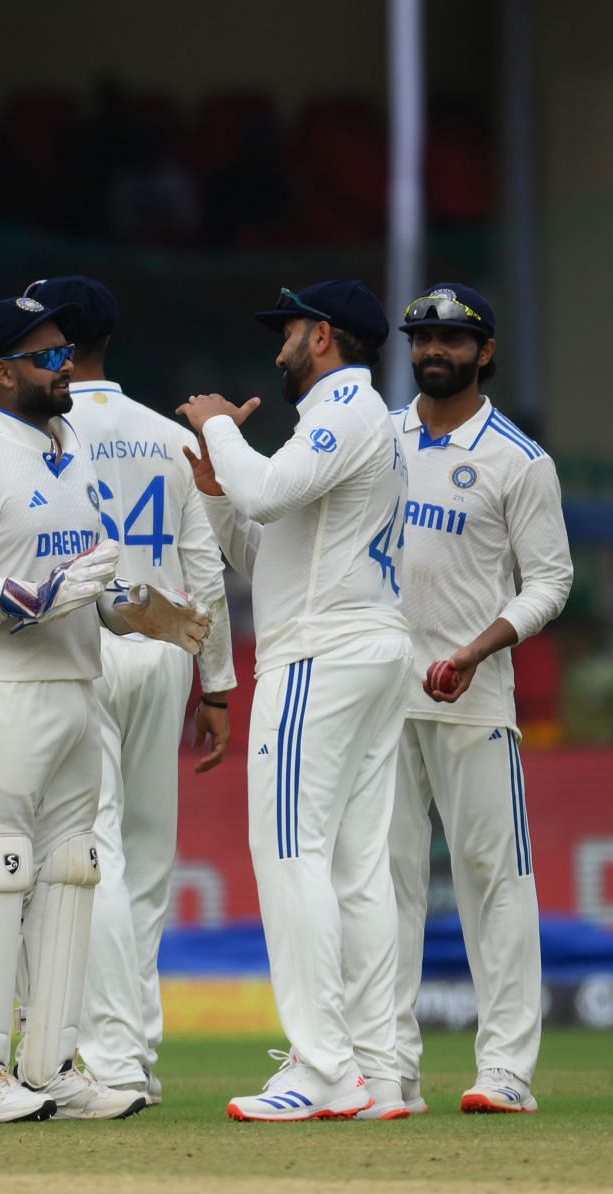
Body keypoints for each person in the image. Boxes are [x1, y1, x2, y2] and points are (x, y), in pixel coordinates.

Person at [0, 296, 208, 1123]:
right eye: (46, 357)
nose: (64, 367)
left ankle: (52, 1064)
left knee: (72, 869)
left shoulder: (72, 454)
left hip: (78, 685)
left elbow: (88, 584)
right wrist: (25, 597)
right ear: (2, 372)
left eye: (67, 352)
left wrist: (140, 610)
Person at [178, 280, 413, 1122]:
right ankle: (377, 1070)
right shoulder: (361, 421)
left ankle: (321, 1068)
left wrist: (211, 422)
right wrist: (215, 483)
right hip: (364, 649)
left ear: (322, 337)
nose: (277, 346)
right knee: (355, 867)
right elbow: (267, 549)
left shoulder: (343, 410)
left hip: (321, 656)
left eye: (287, 330)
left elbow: (268, 493)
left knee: (289, 851)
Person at [25, 275, 236, 1106]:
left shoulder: (44, 430)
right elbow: (206, 566)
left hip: (88, 645)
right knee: (146, 856)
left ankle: (110, 1055)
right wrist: (216, 684)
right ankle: (137, 1051)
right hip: (170, 648)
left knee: (97, 850)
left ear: (60, 342)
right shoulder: (160, 433)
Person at [387, 284, 573, 1114]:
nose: (434, 350)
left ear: (485, 351)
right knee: (379, 885)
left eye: (451, 340)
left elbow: (552, 582)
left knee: (494, 882)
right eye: (422, 336)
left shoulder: (518, 459)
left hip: (472, 697)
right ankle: (388, 1065)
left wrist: (475, 650)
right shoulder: (377, 440)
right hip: (381, 701)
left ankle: (505, 1069)